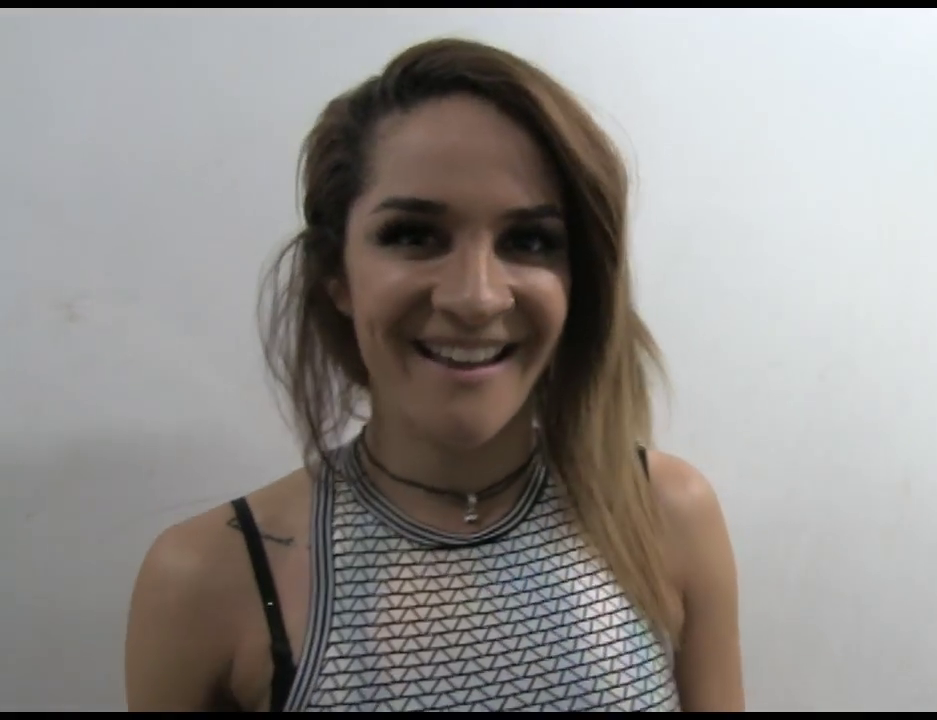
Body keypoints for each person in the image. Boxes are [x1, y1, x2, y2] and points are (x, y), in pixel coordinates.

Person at [123, 37, 743, 712]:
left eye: (529, 241)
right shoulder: (209, 578)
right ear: (337, 275)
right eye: (415, 235)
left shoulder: (665, 513)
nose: (476, 297)